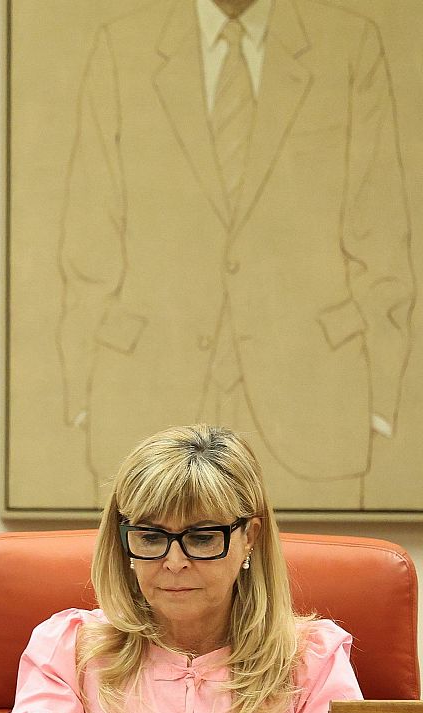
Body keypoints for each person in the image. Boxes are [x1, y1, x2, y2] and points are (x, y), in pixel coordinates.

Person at [56, 0, 412, 506]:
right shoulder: (122, 47)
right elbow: (89, 233)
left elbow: (381, 231)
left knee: (317, 585)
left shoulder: (351, 46)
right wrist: (79, 394)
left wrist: (380, 397)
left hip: (311, 397)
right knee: (145, 581)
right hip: (148, 387)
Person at [0, 424, 361, 713]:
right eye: (151, 537)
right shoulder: (68, 647)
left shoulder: (312, 657)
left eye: (202, 538)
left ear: (249, 538)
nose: (174, 562)